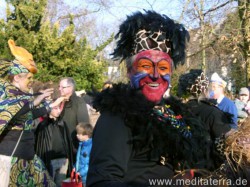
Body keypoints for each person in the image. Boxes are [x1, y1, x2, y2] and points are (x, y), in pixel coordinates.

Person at [87, 11, 211, 187]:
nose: (154, 75)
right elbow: (102, 182)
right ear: (129, 71)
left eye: (162, 67)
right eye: (145, 66)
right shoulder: (118, 117)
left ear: (171, 72)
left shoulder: (175, 113)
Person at [0, 39, 64, 186]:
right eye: (29, 78)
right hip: (10, 160)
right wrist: (35, 100)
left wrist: (48, 105)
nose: (31, 81)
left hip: (27, 159)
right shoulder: (7, 95)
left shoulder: (21, 97)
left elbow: (26, 115)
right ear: (16, 77)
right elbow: (13, 110)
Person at [177, 69, 232, 170]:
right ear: (204, 89)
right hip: (206, 170)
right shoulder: (213, 113)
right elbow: (226, 142)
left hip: (182, 169)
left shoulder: (179, 111)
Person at [35, 88, 74, 187]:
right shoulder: (44, 125)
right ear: (49, 110)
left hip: (63, 159)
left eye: (58, 108)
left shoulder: (62, 123)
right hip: (50, 160)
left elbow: (67, 142)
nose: (58, 110)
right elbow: (40, 145)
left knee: (60, 184)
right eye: (55, 108)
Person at [59, 77, 90, 158]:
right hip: (61, 145)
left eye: (62, 87)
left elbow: (83, 124)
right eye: (59, 87)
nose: (59, 89)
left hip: (73, 146)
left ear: (70, 88)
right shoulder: (60, 101)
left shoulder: (78, 102)